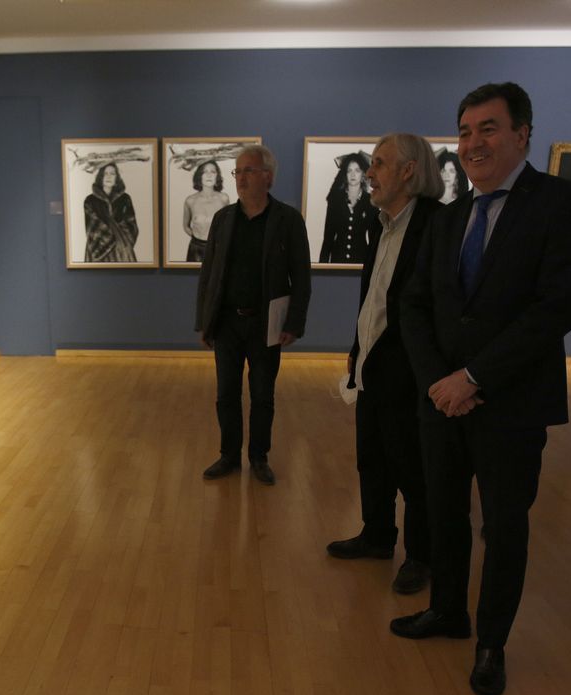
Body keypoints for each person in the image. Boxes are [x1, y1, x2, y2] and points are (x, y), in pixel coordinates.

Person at [395, 82, 571, 695]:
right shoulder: (450, 216)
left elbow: (555, 308)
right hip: (442, 402)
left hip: (509, 403)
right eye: (463, 131)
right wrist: (438, 380)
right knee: (444, 514)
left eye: (487, 128)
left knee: (505, 527)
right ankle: (448, 611)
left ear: (521, 134)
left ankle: (491, 643)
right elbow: (415, 304)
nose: (472, 142)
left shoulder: (563, 204)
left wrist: (473, 378)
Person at [326, 133, 443, 596]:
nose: (370, 173)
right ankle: (377, 535)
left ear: (409, 170)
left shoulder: (437, 224)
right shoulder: (382, 224)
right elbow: (375, 298)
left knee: (412, 469)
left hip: (411, 372)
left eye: (378, 163)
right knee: (371, 459)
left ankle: (421, 556)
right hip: (374, 363)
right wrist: (357, 351)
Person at [195, 145, 311, 486]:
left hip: (266, 323)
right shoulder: (223, 219)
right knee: (226, 394)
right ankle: (229, 455)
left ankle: (259, 457)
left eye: (248, 171)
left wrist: (294, 324)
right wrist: (204, 321)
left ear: (268, 177)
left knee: (263, 395)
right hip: (228, 323)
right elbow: (209, 275)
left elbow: (301, 277)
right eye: (238, 171)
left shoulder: (288, 220)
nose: (241, 178)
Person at [318, 153, 379, 264]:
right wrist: (323, 266)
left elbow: (373, 239)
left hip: (361, 262)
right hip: (337, 261)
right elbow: (328, 238)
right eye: (349, 170)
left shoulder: (370, 201)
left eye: (357, 170)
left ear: (363, 174)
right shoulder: (335, 200)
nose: (353, 174)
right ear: (345, 174)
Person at [83, 162, 139, 263]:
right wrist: (111, 235)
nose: (109, 177)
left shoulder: (125, 199)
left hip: (122, 251)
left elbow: (132, 226)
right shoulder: (90, 200)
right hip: (98, 250)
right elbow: (92, 228)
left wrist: (124, 242)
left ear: (116, 178)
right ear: (100, 177)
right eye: (105, 173)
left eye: (112, 174)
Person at [183, 160, 230, 262]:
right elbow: (185, 226)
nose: (209, 175)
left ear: (217, 176)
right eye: (205, 172)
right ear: (200, 176)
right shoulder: (190, 201)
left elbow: (228, 225)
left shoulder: (224, 199)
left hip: (218, 249)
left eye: (213, 172)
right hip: (196, 250)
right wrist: (196, 237)